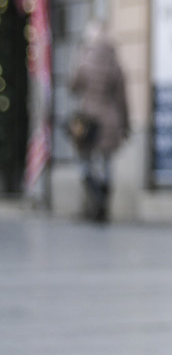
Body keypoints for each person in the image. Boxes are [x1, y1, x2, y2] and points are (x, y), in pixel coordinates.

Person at [66, 22, 129, 223]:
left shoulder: (84, 57)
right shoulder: (114, 61)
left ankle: (96, 199)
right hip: (110, 118)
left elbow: (73, 85)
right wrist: (126, 124)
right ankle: (102, 205)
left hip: (88, 119)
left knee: (84, 161)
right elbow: (122, 97)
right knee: (106, 163)